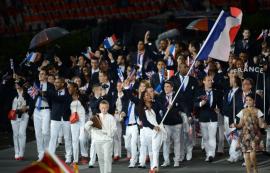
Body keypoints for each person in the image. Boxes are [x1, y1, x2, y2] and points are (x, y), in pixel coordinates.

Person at [233, 94, 268, 173]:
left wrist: (264, 125)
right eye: (247, 100)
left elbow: (260, 125)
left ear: (253, 101)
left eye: (250, 100)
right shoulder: (242, 111)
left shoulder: (258, 111)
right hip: (245, 135)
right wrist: (235, 125)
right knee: (246, 157)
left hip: (255, 135)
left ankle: (255, 170)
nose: (248, 102)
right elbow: (240, 125)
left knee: (252, 156)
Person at [194, 75, 223, 162]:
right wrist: (200, 104)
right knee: (205, 138)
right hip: (203, 118)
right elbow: (194, 104)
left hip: (213, 117)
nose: (210, 82)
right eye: (208, 80)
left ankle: (211, 154)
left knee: (212, 136)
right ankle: (208, 153)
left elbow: (221, 104)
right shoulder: (199, 92)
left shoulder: (216, 92)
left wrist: (219, 109)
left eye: (211, 80)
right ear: (204, 81)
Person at [84, 100, 117, 173]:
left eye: (105, 108)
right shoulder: (96, 117)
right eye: (102, 108)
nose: (104, 109)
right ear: (99, 108)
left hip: (107, 141)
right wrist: (89, 123)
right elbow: (86, 127)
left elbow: (114, 130)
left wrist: (105, 132)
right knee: (101, 159)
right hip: (98, 140)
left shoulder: (111, 117)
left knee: (107, 159)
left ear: (108, 108)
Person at [47, 77, 72, 164]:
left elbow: (66, 100)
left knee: (67, 138)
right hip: (55, 117)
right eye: (55, 82)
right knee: (53, 137)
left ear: (62, 84)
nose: (55, 84)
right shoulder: (52, 92)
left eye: (58, 82)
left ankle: (68, 157)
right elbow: (50, 102)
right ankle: (51, 157)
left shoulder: (68, 92)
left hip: (66, 118)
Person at [138, 91, 163, 173]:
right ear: (143, 98)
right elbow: (144, 121)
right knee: (151, 150)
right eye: (146, 95)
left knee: (155, 148)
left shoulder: (155, 104)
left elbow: (164, 109)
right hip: (147, 131)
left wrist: (168, 106)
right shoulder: (141, 107)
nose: (148, 96)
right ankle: (154, 167)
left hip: (157, 129)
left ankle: (154, 167)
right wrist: (153, 127)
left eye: (149, 94)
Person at [32, 68, 54, 161]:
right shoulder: (36, 85)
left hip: (46, 110)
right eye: (40, 74)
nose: (40, 75)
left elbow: (51, 96)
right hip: (37, 110)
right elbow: (31, 98)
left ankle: (47, 152)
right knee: (38, 133)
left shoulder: (50, 85)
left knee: (45, 131)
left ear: (46, 76)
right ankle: (40, 154)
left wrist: (43, 93)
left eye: (42, 74)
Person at [10, 79, 32, 160]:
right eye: (15, 83)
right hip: (14, 115)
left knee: (22, 133)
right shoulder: (12, 93)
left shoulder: (27, 93)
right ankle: (16, 152)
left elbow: (31, 103)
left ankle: (21, 153)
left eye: (18, 83)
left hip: (24, 115)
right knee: (15, 134)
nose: (16, 84)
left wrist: (27, 107)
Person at [67, 82, 86, 165]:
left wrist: (79, 97)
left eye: (70, 87)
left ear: (75, 88)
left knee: (82, 139)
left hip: (82, 121)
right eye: (68, 87)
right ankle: (75, 160)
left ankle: (84, 155)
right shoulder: (68, 97)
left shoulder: (82, 96)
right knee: (74, 141)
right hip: (73, 121)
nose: (68, 89)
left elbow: (85, 104)